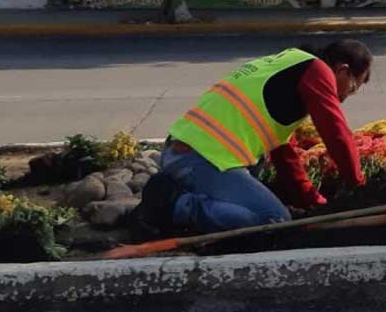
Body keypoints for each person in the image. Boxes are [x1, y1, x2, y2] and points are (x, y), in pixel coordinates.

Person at [132, 40, 371, 236]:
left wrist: (314, 203)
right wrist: (358, 187)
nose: (343, 99)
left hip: (190, 154)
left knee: (263, 178)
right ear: (342, 70)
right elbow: (336, 133)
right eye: (351, 88)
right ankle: (173, 204)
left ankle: (190, 197)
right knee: (274, 220)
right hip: (201, 159)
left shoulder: (290, 65)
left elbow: (284, 156)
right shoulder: (317, 71)